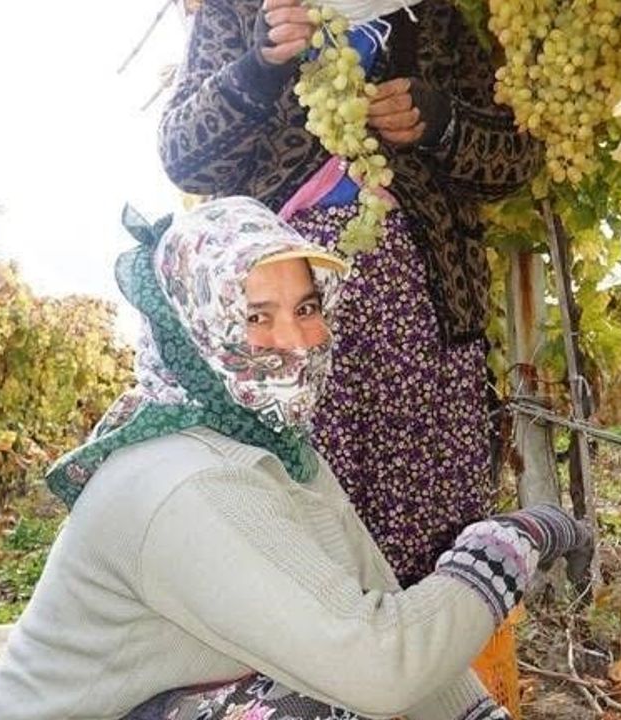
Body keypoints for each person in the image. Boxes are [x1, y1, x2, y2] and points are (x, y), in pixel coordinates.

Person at [0, 197, 590, 720]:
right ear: (194, 328)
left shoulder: (275, 450)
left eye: (306, 308)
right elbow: (379, 668)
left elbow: (371, 598)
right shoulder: (182, 482)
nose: (296, 341)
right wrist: (509, 543)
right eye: (254, 317)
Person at [158, 0, 543, 589]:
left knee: (432, 528)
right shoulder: (236, 9)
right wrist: (258, 67)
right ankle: (310, 674)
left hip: (424, 320)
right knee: (295, 530)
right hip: (278, 324)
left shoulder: (439, 12)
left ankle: (434, 671)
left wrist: (442, 122)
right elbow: (184, 157)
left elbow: (516, 157)